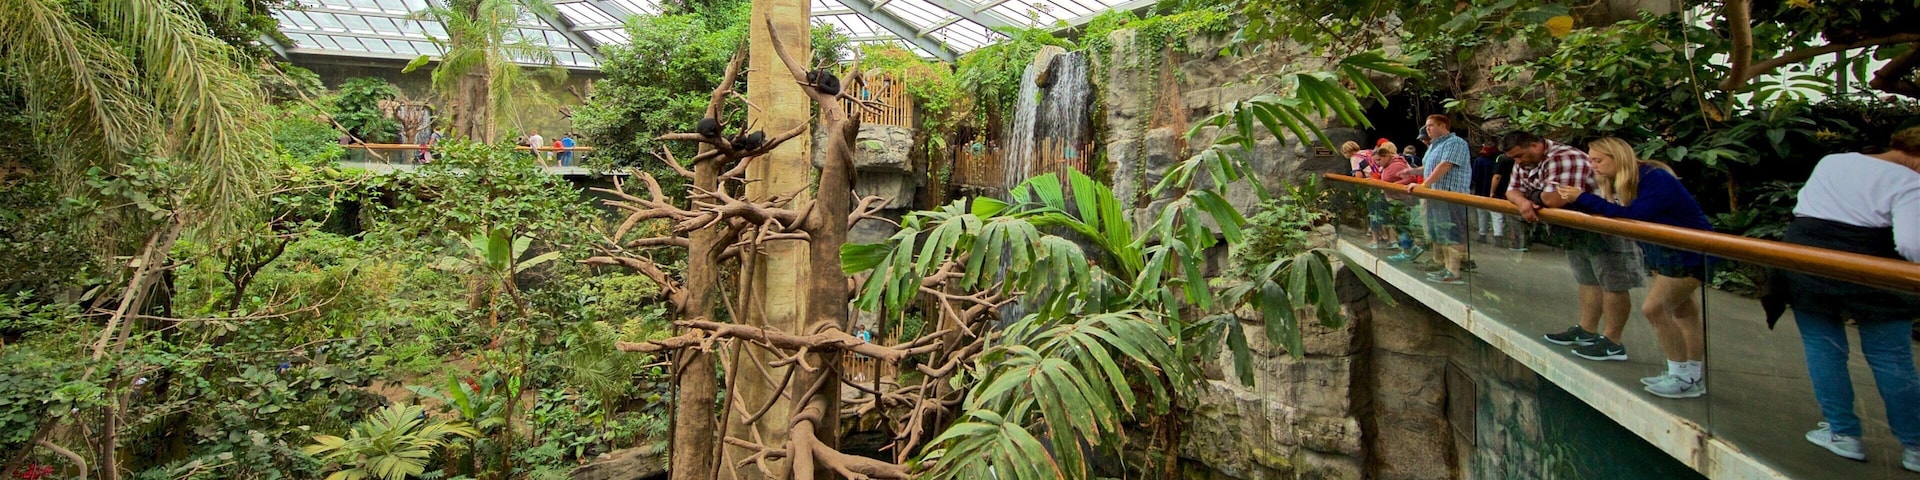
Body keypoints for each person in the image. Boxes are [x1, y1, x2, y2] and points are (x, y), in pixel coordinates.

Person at [1770, 126, 1920, 470]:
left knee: (1823, 347)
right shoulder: (1910, 182)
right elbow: (1913, 245)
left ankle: (1843, 434)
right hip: (1870, 270)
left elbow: (1808, 207)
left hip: (1806, 260)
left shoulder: (1833, 161)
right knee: (1891, 357)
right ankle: (1915, 445)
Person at [1554, 138, 1712, 399]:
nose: (1593, 166)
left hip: (1687, 253)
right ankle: (1691, 376)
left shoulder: (1654, 177)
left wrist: (1581, 197)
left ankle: (1681, 374)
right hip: (1663, 253)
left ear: (1618, 157)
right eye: (1591, 159)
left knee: (1655, 308)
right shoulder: (1624, 182)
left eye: (1598, 160)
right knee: (1684, 313)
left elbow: (1635, 215)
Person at [1501, 131, 1644, 362]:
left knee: (1613, 282)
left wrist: (1532, 195)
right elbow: (1511, 190)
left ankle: (1612, 341)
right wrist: (1523, 201)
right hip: (1574, 229)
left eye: (1520, 155)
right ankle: (1587, 330)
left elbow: (1554, 199)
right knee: (1586, 279)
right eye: (1514, 159)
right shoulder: (1527, 162)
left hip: (1601, 226)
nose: (1518, 162)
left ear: (1536, 145)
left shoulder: (1563, 156)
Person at [1403, 114, 1471, 285]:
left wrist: (1424, 185)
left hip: (1451, 195)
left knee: (1453, 232)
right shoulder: (1433, 146)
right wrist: (1411, 172)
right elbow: (1428, 167)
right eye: (1427, 126)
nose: (1428, 129)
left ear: (1443, 125)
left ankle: (1453, 271)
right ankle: (1446, 266)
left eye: (1431, 126)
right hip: (1435, 196)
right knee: (1441, 231)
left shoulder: (1455, 143)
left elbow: (1445, 165)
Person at [1471, 143, 1500, 243]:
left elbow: (1474, 176)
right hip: (1495, 191)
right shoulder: (1497, 161)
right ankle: (1498, 237)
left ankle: (1482, 235)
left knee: (1481, 214)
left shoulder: (1478, 161)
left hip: (1480, 190)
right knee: (1496, 215)